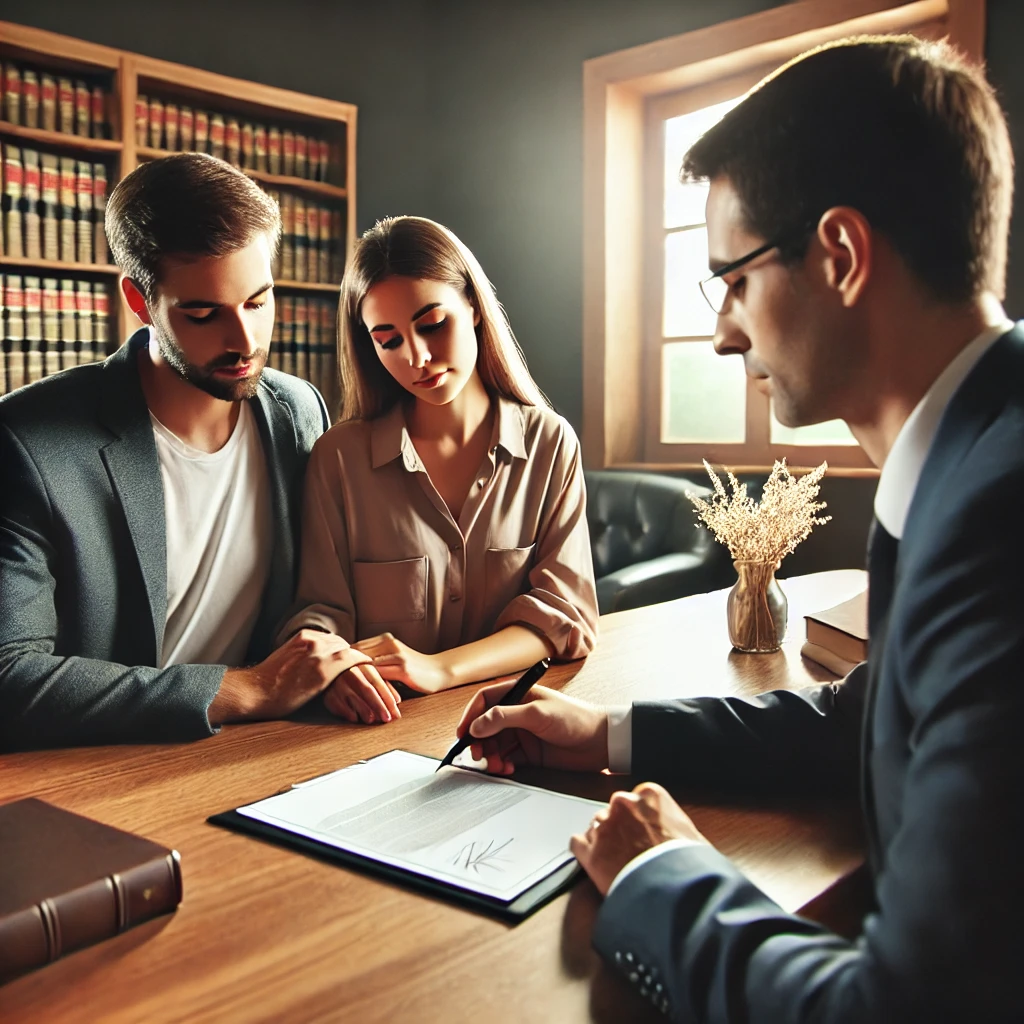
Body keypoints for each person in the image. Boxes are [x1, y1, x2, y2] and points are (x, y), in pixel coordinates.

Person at [457, 35, 1024, 1021]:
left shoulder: (997, 516)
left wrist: (663, 876)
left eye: (732, 278)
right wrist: (610, 735)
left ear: (840, 255)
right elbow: (878, 714)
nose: (723, 330)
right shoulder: (980, 454)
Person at [0, 153, 371, 750]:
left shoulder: (299, 412)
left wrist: (331, 663)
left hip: (261, 750)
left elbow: (319, 594)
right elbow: (9, 677)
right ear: (141, 302)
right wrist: (245, 689)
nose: (245, 341)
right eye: (203, 314)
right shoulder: (30, 442)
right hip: (99, 774)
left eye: (258, 302)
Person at [281, 216, 598, 725]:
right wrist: (334, 668)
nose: (418, 357)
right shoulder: (338, 459)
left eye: (432, 325)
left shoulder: (549, 443)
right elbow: (319, 613)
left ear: (473, 306)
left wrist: (439, 669)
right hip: (372, 733)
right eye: (388, 340)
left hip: (513, 724)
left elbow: (566, 619)